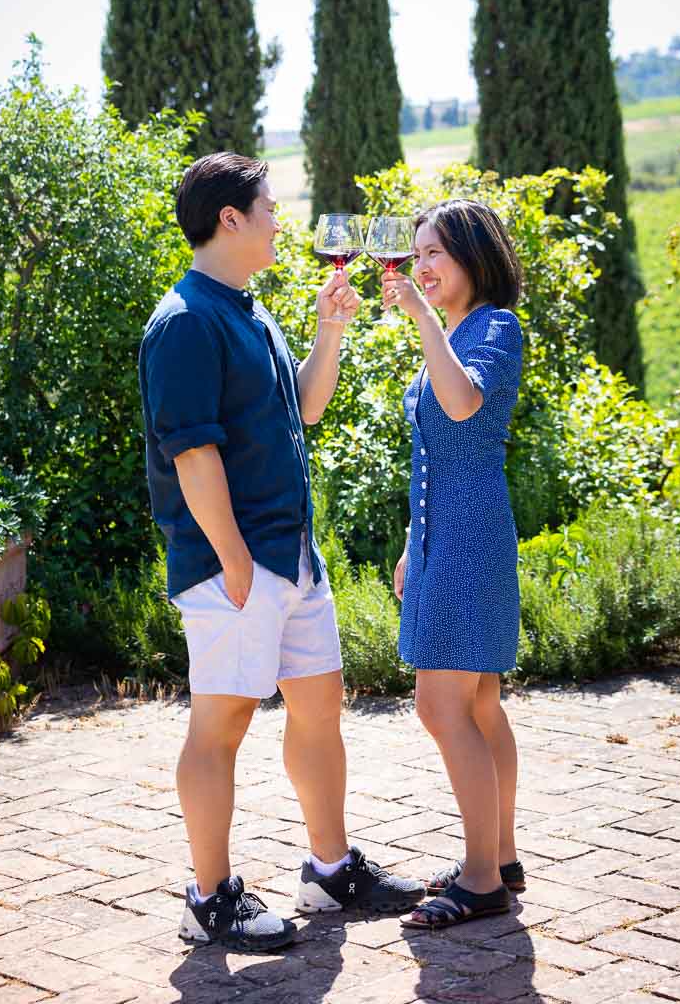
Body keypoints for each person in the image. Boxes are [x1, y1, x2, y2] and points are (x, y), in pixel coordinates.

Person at [138, 153, 424, 953]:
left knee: (318, 707)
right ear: (230, 218)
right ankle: (208, 897)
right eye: (267, 206)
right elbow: (192, 456)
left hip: (290, 556)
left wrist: (329, 329)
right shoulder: (186, 321)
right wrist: (231, 561)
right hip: (236, 564)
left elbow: (303, 409)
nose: (278, 219)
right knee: (219, 727)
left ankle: (330, 871)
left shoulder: (248, 310)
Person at [382, 198, 525, 931]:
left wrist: (421, 318)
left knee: (441, 706)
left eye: (435, 252)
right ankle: (498, 857)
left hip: (474, 538)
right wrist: (413, 538)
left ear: (474, 255)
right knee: (477, 705)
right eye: (418, 253)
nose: (421, 265)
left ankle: (479, 881)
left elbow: (464, 407)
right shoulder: (459, 329)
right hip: (445, 537)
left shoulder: (495, 327)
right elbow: (432, 452)